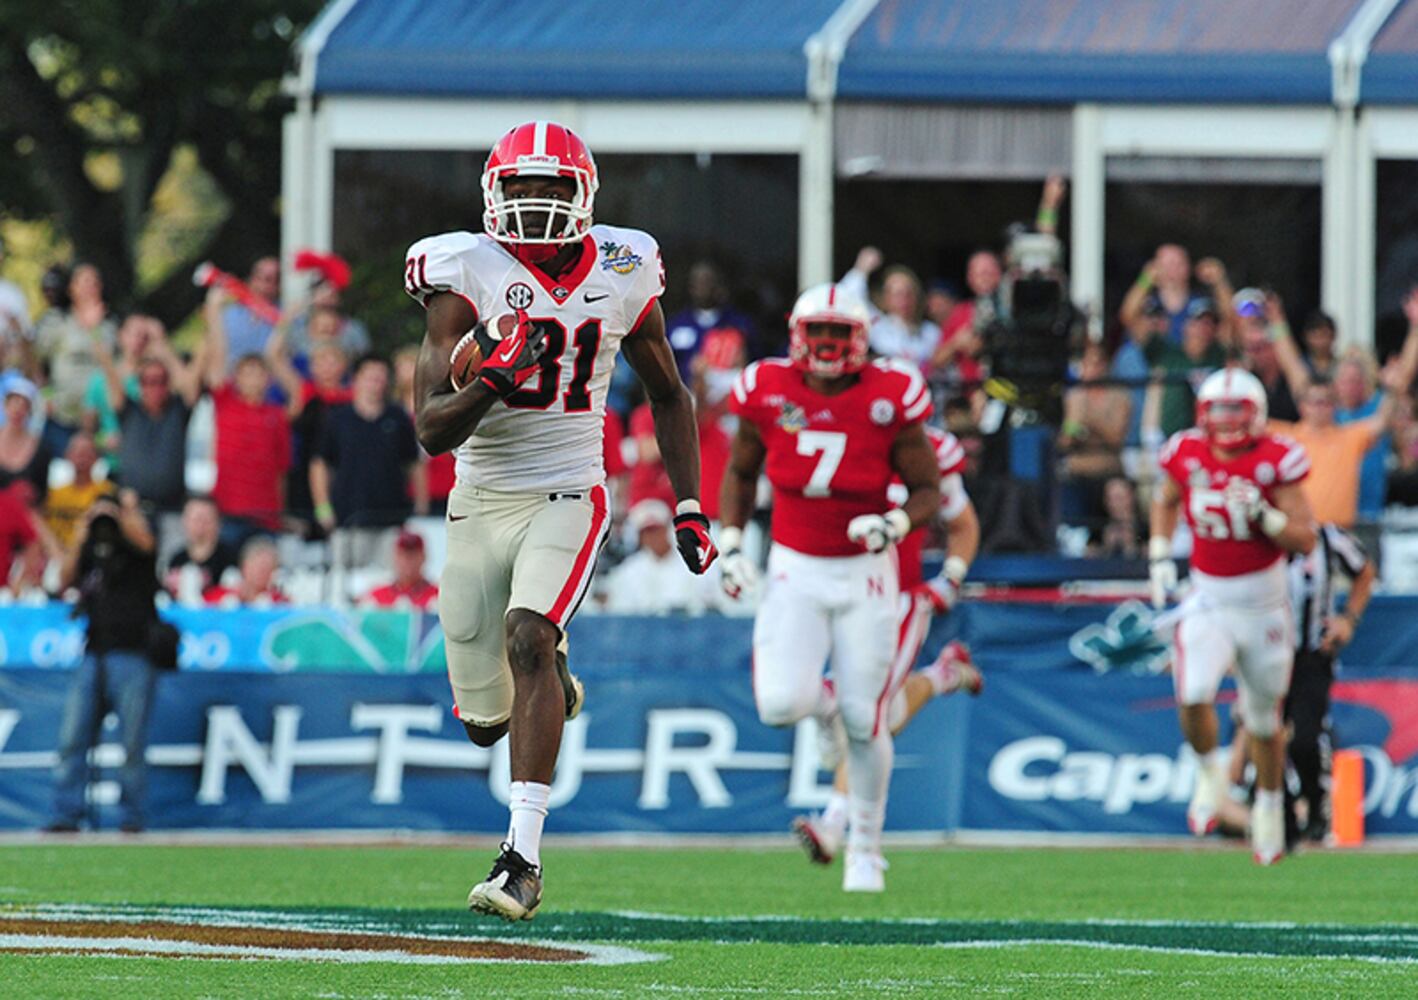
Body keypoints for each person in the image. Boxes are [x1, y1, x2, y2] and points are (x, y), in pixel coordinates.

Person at [406, 120, 717, 920]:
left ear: (584, 195)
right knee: (485, 723)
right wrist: (491, 381)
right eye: (523, 187)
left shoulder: (623, 267)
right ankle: (553, 678)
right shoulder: (463, 271)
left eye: (553, 187)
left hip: (569, 492)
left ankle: (522, 860)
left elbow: (669, 393)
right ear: (493, 194)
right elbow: (431, 430)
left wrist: (689, 504)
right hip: (479, 500)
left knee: (528, 638)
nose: (538, 202)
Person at [717, 283, 941, 892]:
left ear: (861, 338)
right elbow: (740, 471)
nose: (827, 343)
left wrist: (894, 524)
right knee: (779, 704)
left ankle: (866, 848)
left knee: (867, 721)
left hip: (866, 572)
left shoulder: (890, 393)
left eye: (839, 333)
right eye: (819, 330)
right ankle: (825, 710)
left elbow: (927, 489)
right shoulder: (767, 388)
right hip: (795, 564)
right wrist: (731, 543)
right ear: (797, 333)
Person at [787, 422, 983, 869]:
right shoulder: (836, 431)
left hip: (898, 600)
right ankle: (944, 675)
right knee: (882, 714)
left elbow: (963, 524)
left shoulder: (932, 448)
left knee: (867, 713)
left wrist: (950, 580)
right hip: (839, 590)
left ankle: (834, 823)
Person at [1150, 367, 1316, 865]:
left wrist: (1265, 516)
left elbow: (1305, 538)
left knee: (1263, 721)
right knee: (1193, 692)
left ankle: (1268, 806)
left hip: (1264, 607)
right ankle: (1209, 777)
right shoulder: (1185, 451)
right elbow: (1164, 498)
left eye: (1234, 411)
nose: (1224, 422)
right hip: (1209, 599)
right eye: (1216, 411)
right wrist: (1159, 555)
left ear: (1257, 413)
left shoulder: (1276, 459)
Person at [47, 492, 161, 833]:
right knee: (72, 738)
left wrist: (123, 515)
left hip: (133, 653)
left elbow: (148, 545)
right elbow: (63, 580)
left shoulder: (134, 547)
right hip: (93, 652)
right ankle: (66, 813)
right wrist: (83, 531)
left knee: (132, 743)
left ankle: (132, 817)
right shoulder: (91, 549)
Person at [1284, 523, 1375, 846]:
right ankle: (1280, 816)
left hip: (1312, 656)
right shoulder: (1259, 539)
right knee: (1266, 736)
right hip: (1267, 654)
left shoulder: (1328, 539)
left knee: (1305, 739)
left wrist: (1348, 619)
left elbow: (1364, 571)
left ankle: (1315, 804)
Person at [311, 354, 420, 581]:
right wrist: (322, 507)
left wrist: (420, 505)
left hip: (391, 520)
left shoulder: (398, 418)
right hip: (347, 520)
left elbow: (414, 463)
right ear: (356, 379)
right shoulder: (337, 418)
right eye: (370, 377)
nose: (375, 383)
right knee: (342, 584)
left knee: (391, 583)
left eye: (380, 378)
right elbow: (320, 464)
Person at [204, 288, 292, 541]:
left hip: (267, 515)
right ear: (237, 379)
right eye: (246, 373)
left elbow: (282, 470)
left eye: (258, 373)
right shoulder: (225, 403)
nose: (253, 379)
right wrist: (214, 312)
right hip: (228, 511)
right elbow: (218, 357)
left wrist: (280, 512)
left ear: (268, 379)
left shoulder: (277, 415)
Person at [34, 263, 116, 455]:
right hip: (62, 417)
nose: (90, 288)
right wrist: (45, 394)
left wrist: (94, 328)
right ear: (71, 288)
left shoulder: (110, 326)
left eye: (95, 283)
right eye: (84, 282)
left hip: (99, 422)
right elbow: (37, 361)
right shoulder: (56, 321)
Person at [604, 498, 720, 614]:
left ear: (668, 530)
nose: (653, 537)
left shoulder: (695, 560)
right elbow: (622, 612)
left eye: (657, 530)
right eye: (647, 532)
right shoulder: (629, 570)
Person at [663, 260, 758, 380]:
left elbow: (754, 363)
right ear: (690, 287)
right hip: (684, 388)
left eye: (707, 281)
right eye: (697, 282)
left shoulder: (740, 324)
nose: (702, 287)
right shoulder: (675, 325)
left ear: (718, 285)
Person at [43, 432, 114, 552]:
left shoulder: (107, 493)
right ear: (67, 455)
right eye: (77, 452)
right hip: (55, 553)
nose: (82, 457)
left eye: (87, 452)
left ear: (96, 457)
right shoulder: (53, 495)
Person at [163, 494, 239, 603]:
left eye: (206, 520)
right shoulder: (176, 560)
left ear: (218, 522)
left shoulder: (231, 559)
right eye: (195, 519)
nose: (200, 525)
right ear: (184, 521)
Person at [218, 256, 281, 370]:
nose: (263, 285)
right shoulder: (228, 314)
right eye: (259, 277)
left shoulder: (286, 316)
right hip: (232, 379)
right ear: (251, 279)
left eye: (272, 280)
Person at [0, 377, 53, 506]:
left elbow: (43, 494)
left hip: (25, 513)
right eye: (14, 403)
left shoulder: (42, 448)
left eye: (24, 405)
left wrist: (31, 494)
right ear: (5, 406)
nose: (18, 410)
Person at [360, 529, 439, 610]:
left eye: (413, 555)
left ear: (423, 557)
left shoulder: (439, 595)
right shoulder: (377, 596)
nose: (408, 560)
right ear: (395, 557)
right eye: (402, 555)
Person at [202, 536, 287, 606]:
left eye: (267, 568)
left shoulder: (279, 603)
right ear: (244, 566)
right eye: (258, 567)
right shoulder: (219, 596)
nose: (262, 573)